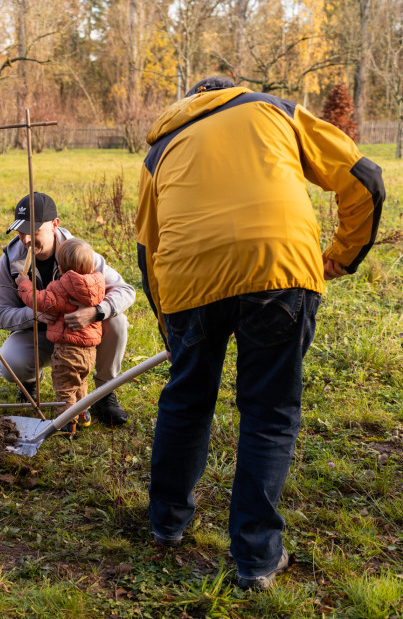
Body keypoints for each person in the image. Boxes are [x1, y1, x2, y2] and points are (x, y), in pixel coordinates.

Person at [137, 76, 385, 590]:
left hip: (188, 278)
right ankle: (255, 558)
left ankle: (166, 524)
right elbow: (364, 178)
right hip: (278, 265)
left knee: (185, 400)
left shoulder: (160, 150)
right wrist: (343, 254)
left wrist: (172, 333)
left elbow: (148, 247)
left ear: (190, 102)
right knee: (269, 412)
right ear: (232, 91)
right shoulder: (272, 109)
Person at [0, 191, 136, 426]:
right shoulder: (11, 259)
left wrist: (96, 311)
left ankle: (104, 391)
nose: (25, 240)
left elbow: (126, 290)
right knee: (10, 364)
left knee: (117, 321)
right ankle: (30, 381)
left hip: (81, 335)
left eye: (33, 231)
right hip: (39, 333)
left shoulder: (78, 254)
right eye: (20, 231)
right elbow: (0, 314)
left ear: (54, 224)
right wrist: (34, 315)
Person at [16, 238, 105, 434]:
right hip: (89, 350)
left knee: (65, 387)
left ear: (62, 268)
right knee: (80, 381)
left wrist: (24, 285)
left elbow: (39, 300)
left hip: (67, 350)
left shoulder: (62, 287)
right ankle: (83, 413)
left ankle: (66, 423)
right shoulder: (97, 284)